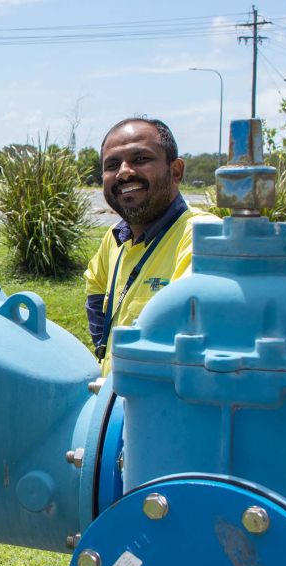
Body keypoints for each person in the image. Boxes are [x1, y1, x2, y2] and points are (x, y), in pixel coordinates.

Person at [84, 117, 215, 376]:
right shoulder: (115, 236)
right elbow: (95, 285)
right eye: (112, 164)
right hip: (116, 400)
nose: (124, 172)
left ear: (176, 171)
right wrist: (103, 345)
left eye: (140, 159)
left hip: (163, 406)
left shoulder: (202, 236)